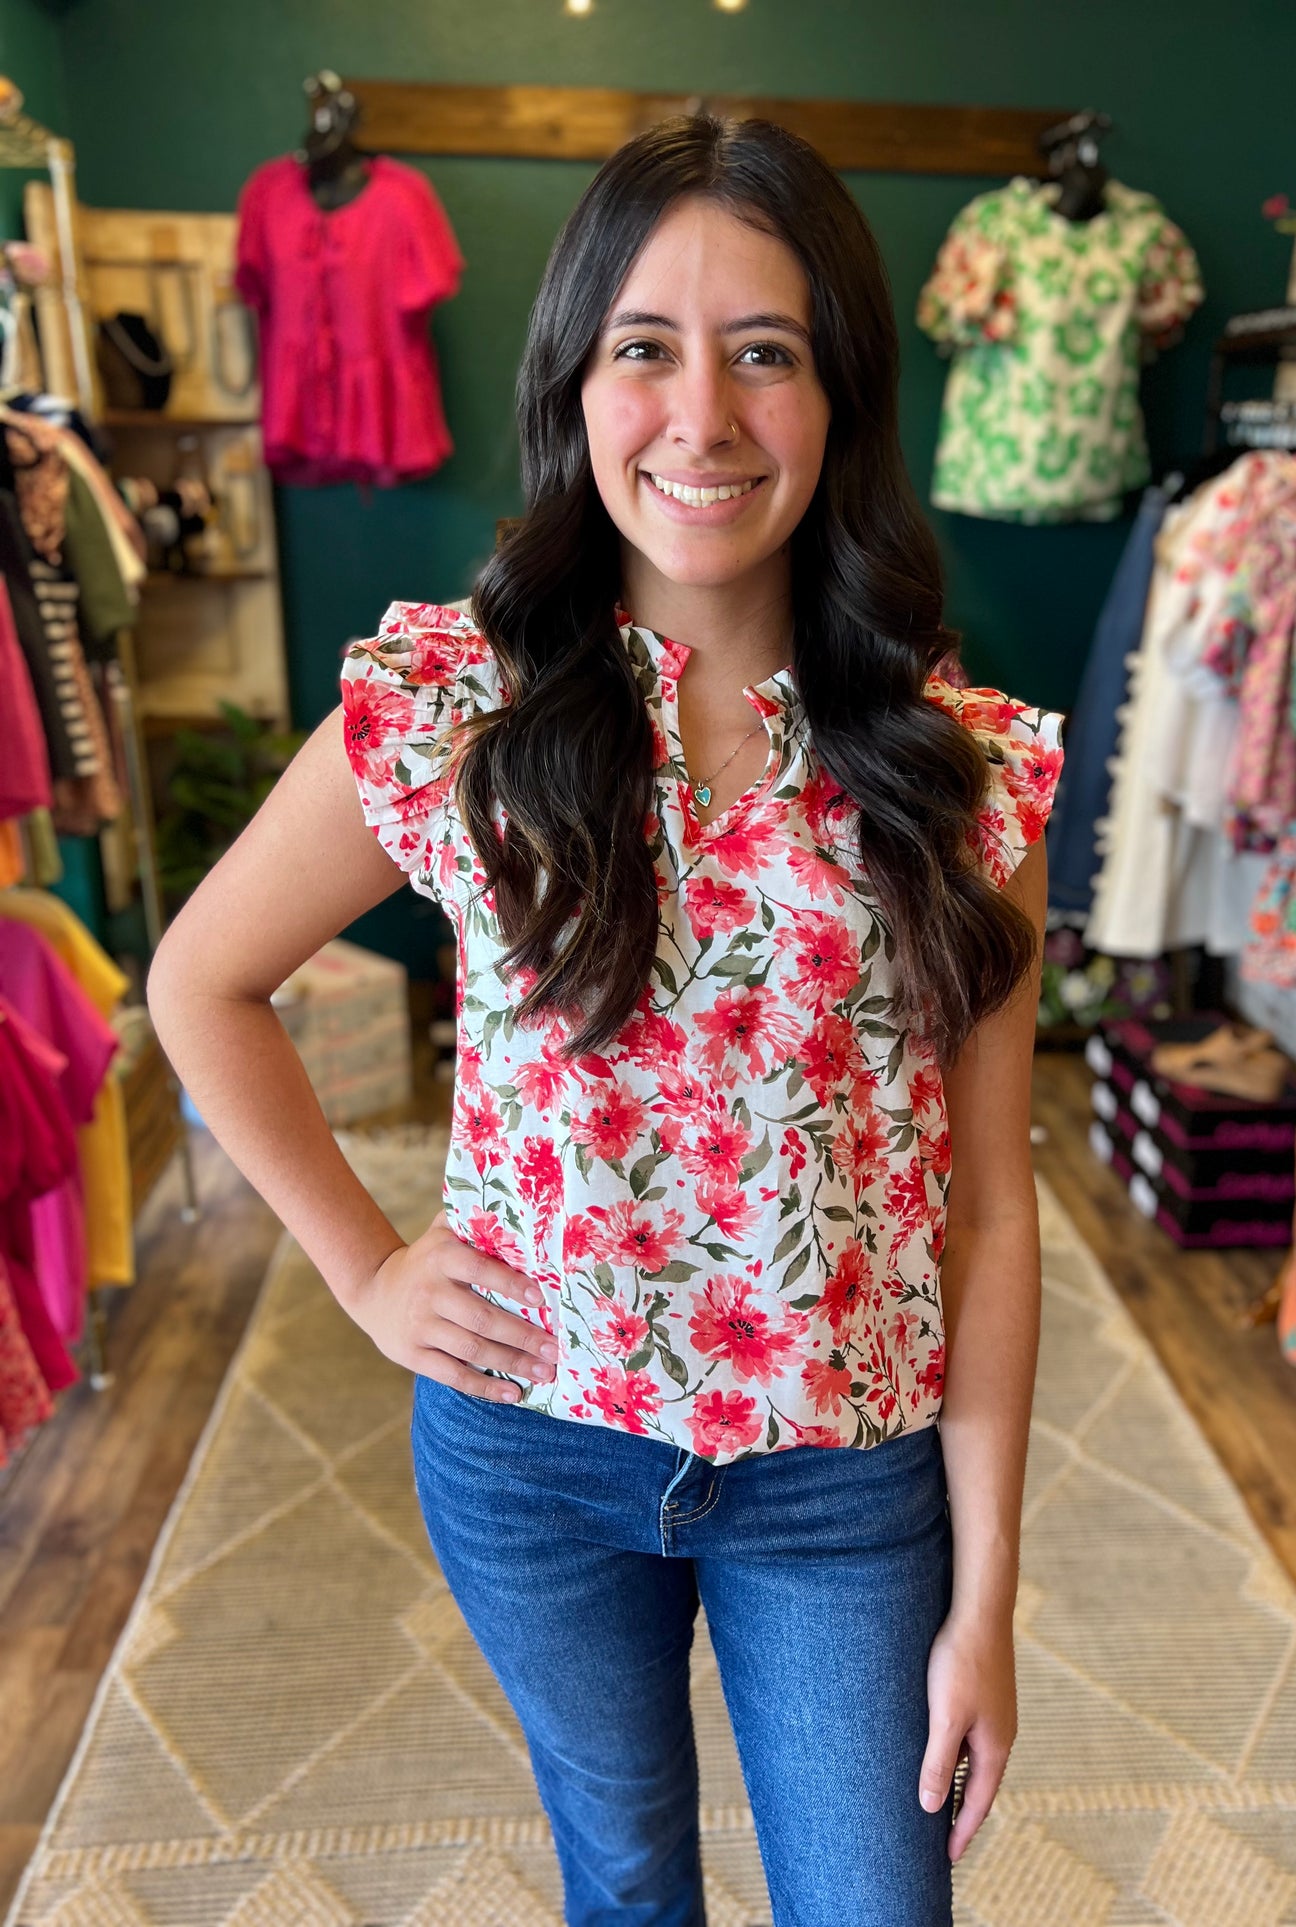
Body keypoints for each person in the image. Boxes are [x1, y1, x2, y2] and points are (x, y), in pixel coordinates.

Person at [148, 114, 1063, 1927]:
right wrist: (366, 1274)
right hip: (531, 1454)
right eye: (643, 347)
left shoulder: (965, 776)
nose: (702, 417)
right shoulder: (452, 709)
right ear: (575, 382)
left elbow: (989, 1202)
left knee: (874, 1903)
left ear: (842, 394)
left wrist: (989, 1595)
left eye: (767, 353)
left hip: (842, 1477)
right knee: (627, 1884)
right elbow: (201, 982)